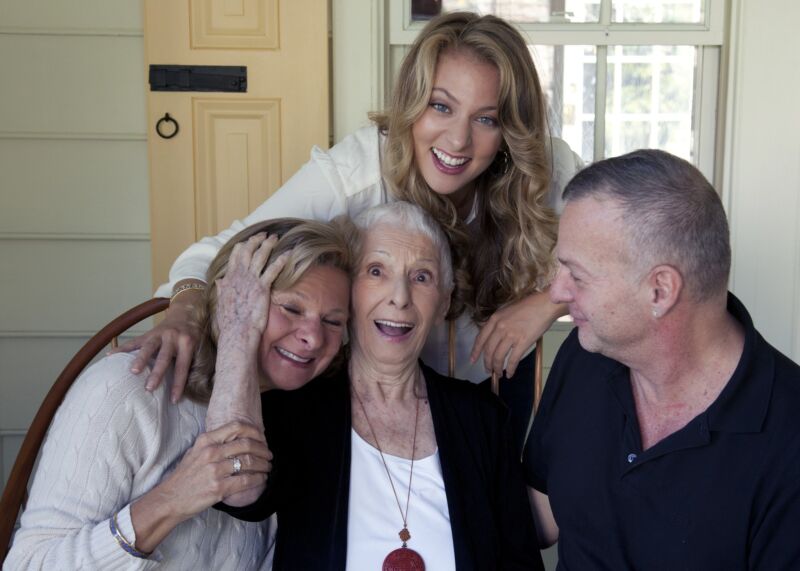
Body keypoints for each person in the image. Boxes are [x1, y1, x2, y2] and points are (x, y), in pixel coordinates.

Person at [118, 11, 582, 450]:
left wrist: (546, 304)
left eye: (486, 119)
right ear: (411, 103)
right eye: (441, 106)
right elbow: (218, 252)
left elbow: (619, 255)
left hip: (492, 381)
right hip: (370, 390)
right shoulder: (356, 172)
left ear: (509, 130)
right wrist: (185, 309)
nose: (458, 140)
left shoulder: (545, 171)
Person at [208, 202, 543, 570]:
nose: (400, 296)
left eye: (422, 277)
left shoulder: (482, 419)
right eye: (376, 271)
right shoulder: (297, 410)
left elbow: (521, 561)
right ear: (348, 292)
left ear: (444, 301)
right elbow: (238, 488)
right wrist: (237, 330)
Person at [4, 219, 352, 570]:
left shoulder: (307, 418)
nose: (313, 337)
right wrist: (173, 499)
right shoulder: (128, 389)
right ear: (231, 300)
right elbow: (29, 565)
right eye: (291, 308)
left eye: (333, 321)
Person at [525, 150, 800, 569]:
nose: (557, 293)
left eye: (576, 275)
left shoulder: (789, 439)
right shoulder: (585, 359)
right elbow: (541, 516)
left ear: (660, 291)